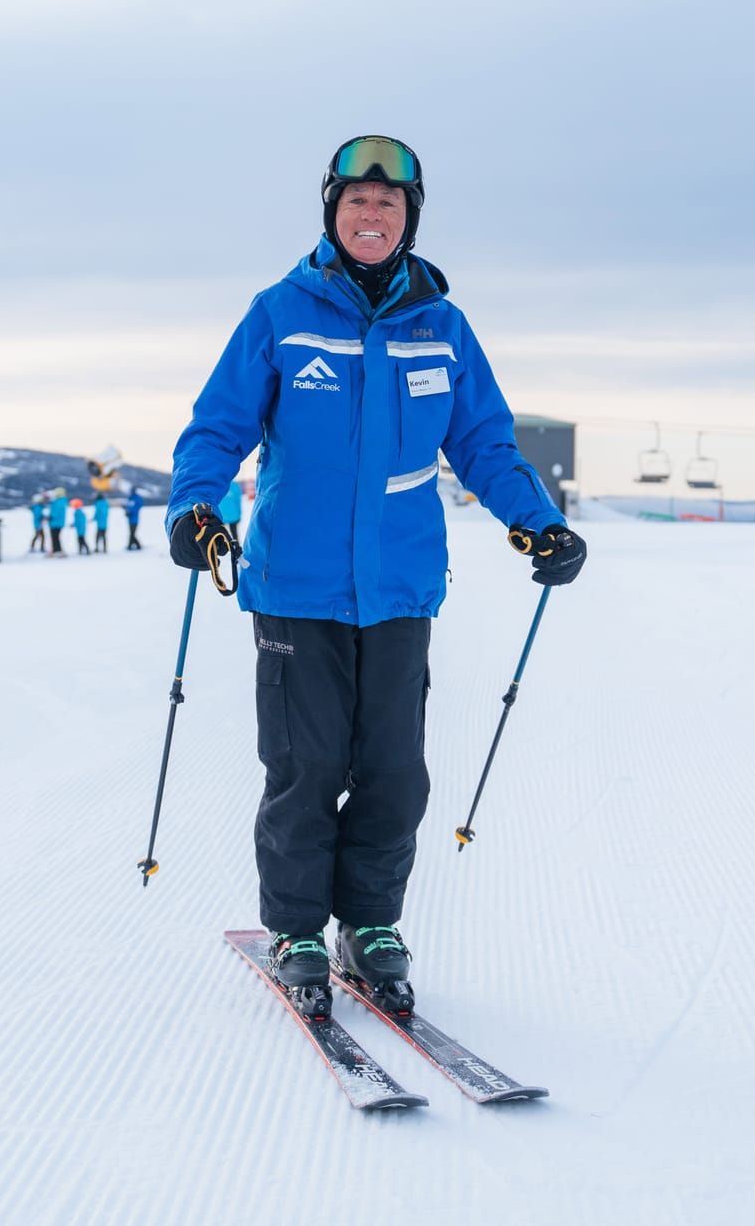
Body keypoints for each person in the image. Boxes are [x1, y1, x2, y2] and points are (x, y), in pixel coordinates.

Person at [167, 134, 586, 1015]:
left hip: (398, 588)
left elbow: (483, 442)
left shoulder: (442, 326)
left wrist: (537, 521)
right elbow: (216, 428)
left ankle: (371, 922)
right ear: (332, 212)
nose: (372, 216)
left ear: (410, 219)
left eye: (389, 205)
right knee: (305, 765)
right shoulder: (281, 312)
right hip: (297, 588)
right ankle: (297, 929)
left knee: (396, 771)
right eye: (357, 202)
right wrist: (195, 508)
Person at [217, 479, 244, 546]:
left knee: (221, 534)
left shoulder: (218, 484)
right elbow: (238, 501)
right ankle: (236, 547)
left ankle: (221, 548)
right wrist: (239, 513)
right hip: (233, 515)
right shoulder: (235, 485)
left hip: (221, 516)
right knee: (234, 533)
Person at [124, 486, 145, 551]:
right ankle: (131, 545)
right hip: (130, 519)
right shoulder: (130, 498)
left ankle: (137, 546)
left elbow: (136, 508)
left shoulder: (136, 499)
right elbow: (128, 507)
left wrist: (130, 512)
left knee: (132, 533)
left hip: (134, 519)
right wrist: (126, 511)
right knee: (131, 533)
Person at [48, 488, 67, 556]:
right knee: (55, 537)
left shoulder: (60, 501)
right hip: (55, 522)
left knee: (55, 537)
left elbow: (56, 511)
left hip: (56, 522)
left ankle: (58, 551)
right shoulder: (59, 501)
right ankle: (56, 550)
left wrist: (51, 516)